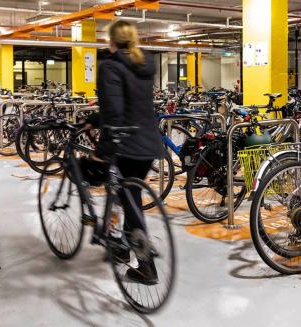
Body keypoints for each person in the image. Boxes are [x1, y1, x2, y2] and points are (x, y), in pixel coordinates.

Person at [83, 20, 164, 285]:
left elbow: (115, 113)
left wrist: (101, 151)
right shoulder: (143, 63)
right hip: (148, 141)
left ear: (112, 40)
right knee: (126, 194)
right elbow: (128, 103)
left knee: (129, 201)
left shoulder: (111, 66)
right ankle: (119, 245)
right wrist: (95, 119)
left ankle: (146, 266)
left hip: (126, 142)